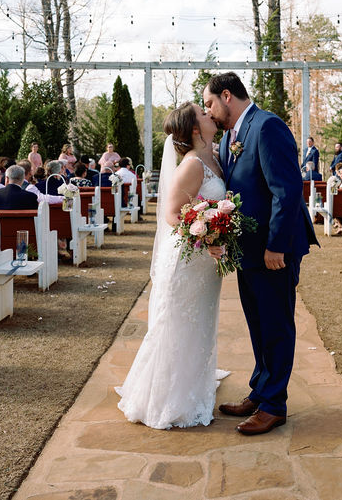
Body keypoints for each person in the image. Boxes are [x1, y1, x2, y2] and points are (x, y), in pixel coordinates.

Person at [204, 72, 317, 435]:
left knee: (276, 325)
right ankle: (261, 389)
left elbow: (287, 191)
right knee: (257, 323)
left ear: (226, 96)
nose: (209, 112)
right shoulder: (228, 139)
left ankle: (274, 405)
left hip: (273, 251)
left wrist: (276, 246)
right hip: (247, 251)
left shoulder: (267, 127)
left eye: (209, 104)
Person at [116, 102, 229, 430]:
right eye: (204, 114)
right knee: (178, 325)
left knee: (200, 325)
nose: (211, 114)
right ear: (195, 129)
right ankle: (167, 401)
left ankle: (193, 390)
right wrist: (207, 236)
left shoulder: (215, 158)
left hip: (203, 265)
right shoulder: (192, 164)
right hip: (186, 261)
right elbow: (172, 213)